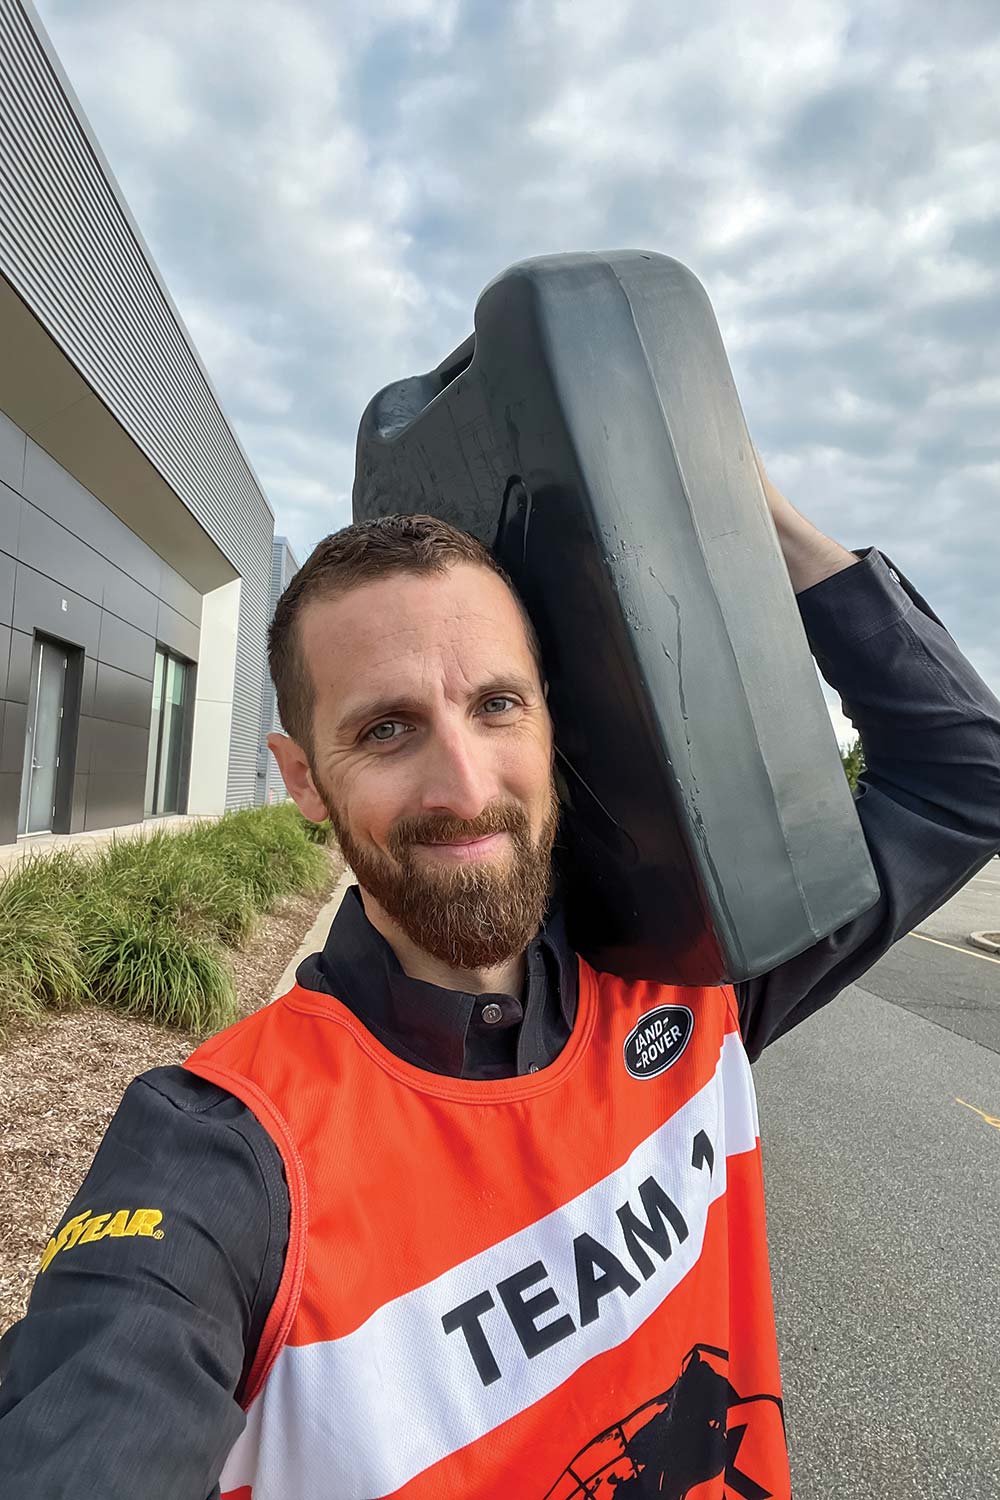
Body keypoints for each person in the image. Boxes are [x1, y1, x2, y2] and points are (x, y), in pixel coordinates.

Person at [1, 463, 998, 1500]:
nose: (466, 788)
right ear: (301, 778)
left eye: (495, 705)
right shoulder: (223, 1153)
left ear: (550, 726)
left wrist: (738, 501)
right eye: (386, 729)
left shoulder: (689, 985)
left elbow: (965, 773)